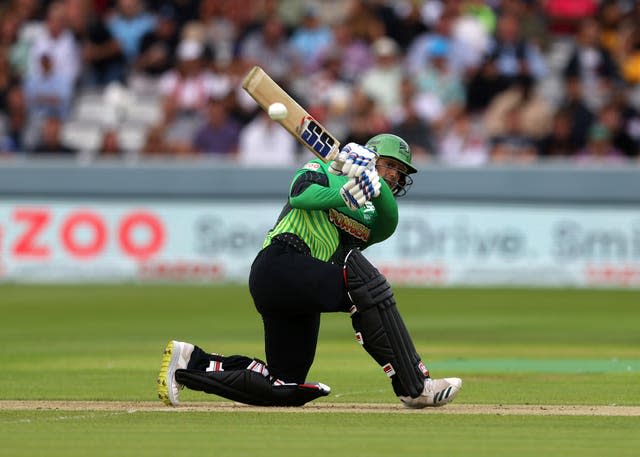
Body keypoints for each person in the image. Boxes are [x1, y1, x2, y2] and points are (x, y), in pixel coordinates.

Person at [157, 134, 462, 408]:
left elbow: (389, 219)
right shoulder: (323, 170)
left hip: (303, 290)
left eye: (400, 172)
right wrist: (340, 191)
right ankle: (415, 385)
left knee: (283, 385)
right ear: (370, 156)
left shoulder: (373, 217)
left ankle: (189, 363)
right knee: (364, 283)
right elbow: (298, 195)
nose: (395, 175)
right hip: (280, 265)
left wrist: (376, 182)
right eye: (390, 165)